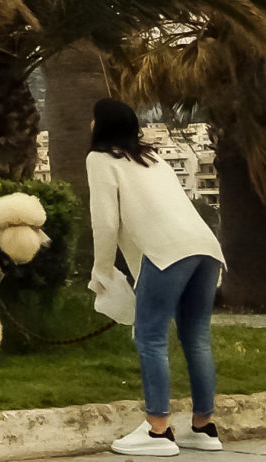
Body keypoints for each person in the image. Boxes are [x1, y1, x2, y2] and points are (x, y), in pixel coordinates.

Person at [89, 97, 226, 457]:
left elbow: (105, 223)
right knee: (197, 337)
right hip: (206, 248)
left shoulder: (99, 160)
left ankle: (158, 431)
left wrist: (101, 272)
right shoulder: (154, 158)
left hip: (166, 252)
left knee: (150, 337)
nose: (90, 124)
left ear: (102, 126)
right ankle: (203, 428)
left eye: (93, 119)